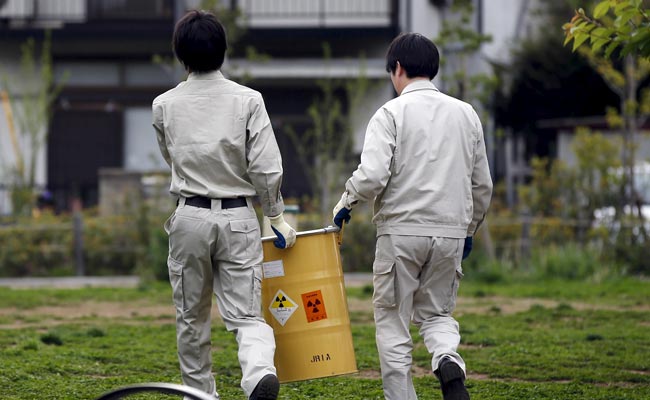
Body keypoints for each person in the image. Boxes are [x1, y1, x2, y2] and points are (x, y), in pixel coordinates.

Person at [332, 32, 493, 400]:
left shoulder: (389, 113)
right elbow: (482, 185)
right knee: (437, 315)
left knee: (393, 323)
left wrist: (346, 203)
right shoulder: (466, 114)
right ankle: (447, 358)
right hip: (451, 231)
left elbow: (372, 176)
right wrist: (467, 230)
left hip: (400, 233)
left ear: (398, 69)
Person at [152, 10, 296, 400]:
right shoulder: (249, 100)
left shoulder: (163, 105)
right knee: (247, 315)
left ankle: (199, 394)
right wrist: (275, 215)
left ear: (180, 53)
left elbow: (172, 157)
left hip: (189, 215)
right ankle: (257, 373)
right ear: (223, 51)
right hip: (237, 217)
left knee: (191, 318)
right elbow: (266, 167)